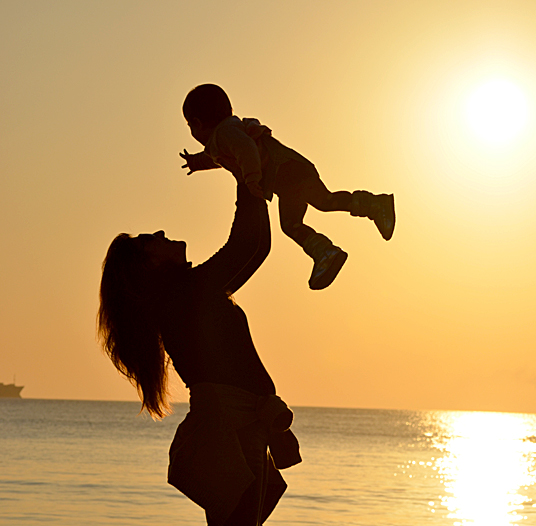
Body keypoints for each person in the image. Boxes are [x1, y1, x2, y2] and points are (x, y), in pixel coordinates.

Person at [98, 176, 300, 525]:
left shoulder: (187, 295)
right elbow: (248, 245)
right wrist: (245, 174)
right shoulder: (187, 294)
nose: (161, 233)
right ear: (150, 265)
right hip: (230, 428)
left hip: (239, 425)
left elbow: (255, 248)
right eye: (151, 241)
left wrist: (251, 181)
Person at [179, 83, 395, 290]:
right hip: (287, 178)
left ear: (197, 123)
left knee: (318, 205)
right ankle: (328, 250)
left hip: (289, 171)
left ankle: (356, 223)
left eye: (190, 126)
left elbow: (246, 150)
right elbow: (216, 158)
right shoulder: (223, 138)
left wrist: (252, 179)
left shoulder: (226, 133)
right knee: (308, 212)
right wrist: (196, 163)